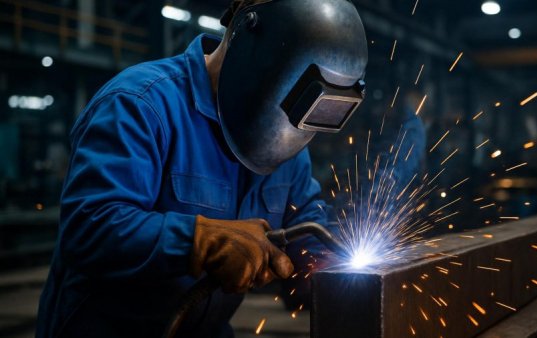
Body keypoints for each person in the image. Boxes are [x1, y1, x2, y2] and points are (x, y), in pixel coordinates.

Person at [36, 0, 368, 337]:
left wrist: (328, 269)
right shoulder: (140, 104)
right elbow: (89, 227)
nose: (297, 123)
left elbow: (305, 224)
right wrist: (199, 239)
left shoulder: (290, 141)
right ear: (252, 44)